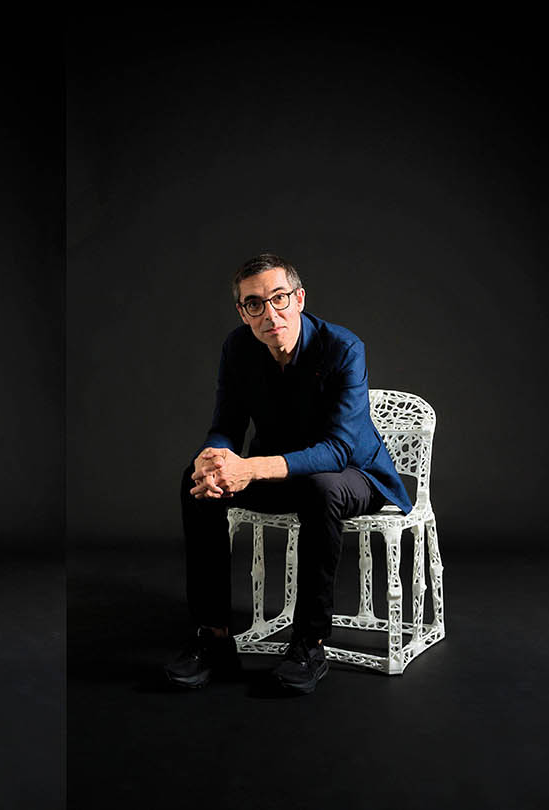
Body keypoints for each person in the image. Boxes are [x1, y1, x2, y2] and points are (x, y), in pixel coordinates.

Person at [165, 253, 412, 694]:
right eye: (255, 304)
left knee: (322, 489)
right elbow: (226, 426)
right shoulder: (238, 348)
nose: (270, 313)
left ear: (299, 299)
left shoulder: (342, 347)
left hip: (353, 474)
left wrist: (250, 468)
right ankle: (214, 636)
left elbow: (338, 449)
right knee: (197, 484)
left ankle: (308, 644)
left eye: (279, 298)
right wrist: (213, 457)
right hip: (278, 476)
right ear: (243, 312)